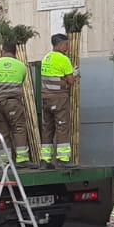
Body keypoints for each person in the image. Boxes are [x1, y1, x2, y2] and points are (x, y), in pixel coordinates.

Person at [0, 42, 32, 165]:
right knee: (18, 129)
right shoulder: (21, 66)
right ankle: (22, 159)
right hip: (13, 103)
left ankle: (3, 161)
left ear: (2, 51)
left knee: (0, 131)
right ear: (15, 52)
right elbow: (21, 80)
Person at [38, 33, 77, 168]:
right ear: (60, 45)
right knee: (62, 126)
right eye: (67, 44)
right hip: (59, 98)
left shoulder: (46, 58)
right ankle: (63, 159)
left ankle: (45, 160)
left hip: (46, 98)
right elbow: (71, 81)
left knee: (47, 128)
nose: (68, 46)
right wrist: (75, 73)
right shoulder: (63, 59)